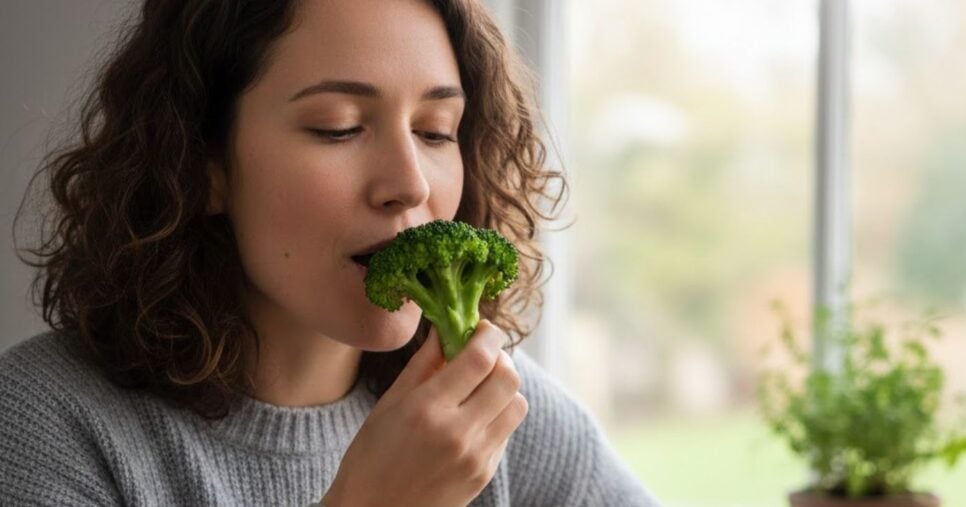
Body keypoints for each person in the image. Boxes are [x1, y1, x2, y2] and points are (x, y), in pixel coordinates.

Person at [0, 1, 661, 505]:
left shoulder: (509, 422)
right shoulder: (45, 425)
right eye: (338, 127)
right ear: (200, 162)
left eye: (435, 131)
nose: (409, 184)